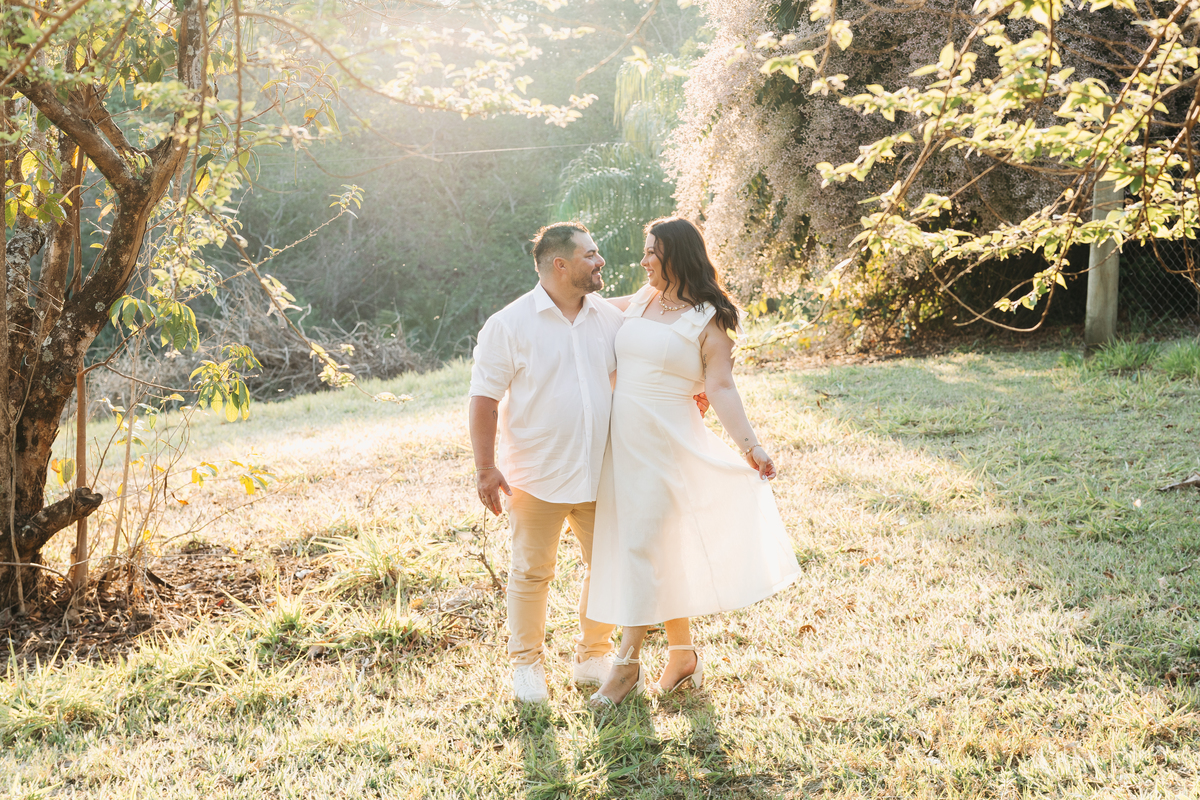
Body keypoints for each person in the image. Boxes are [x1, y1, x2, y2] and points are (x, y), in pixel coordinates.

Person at [586, 216, 802, 709]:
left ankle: (625, 666)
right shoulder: (642, 299)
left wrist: (751, 446)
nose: (643, 260)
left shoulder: (709, 320)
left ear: (676, 256)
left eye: (651, 252)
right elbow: (587, 313)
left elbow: (721, 386)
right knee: (655, 548)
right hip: (623, 442)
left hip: (666, 442)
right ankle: (682, 655)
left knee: (640, 546)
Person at [468, 222, 622, 703]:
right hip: (535, 474)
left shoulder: (607, 317)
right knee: (532, 572)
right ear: (560, 264)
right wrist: (485, 468)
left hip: (599, 470)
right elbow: (484, 399)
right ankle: (527, 666)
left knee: (608, 566)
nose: (599, 261)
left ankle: (593, 655)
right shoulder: (509, 324)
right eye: (590, 255)